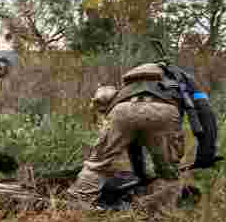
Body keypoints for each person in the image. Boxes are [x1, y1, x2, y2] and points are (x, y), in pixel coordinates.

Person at [68, 62, 218, 211]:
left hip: (121, 111)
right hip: (163, 111)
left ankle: (78, 203)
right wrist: (207, 152)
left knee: (97, 165)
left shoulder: (132, 84)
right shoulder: (185, 79)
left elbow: (133, 141)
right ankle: (152, 208)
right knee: (168, 173)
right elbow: (205, 114)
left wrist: (140, 174)